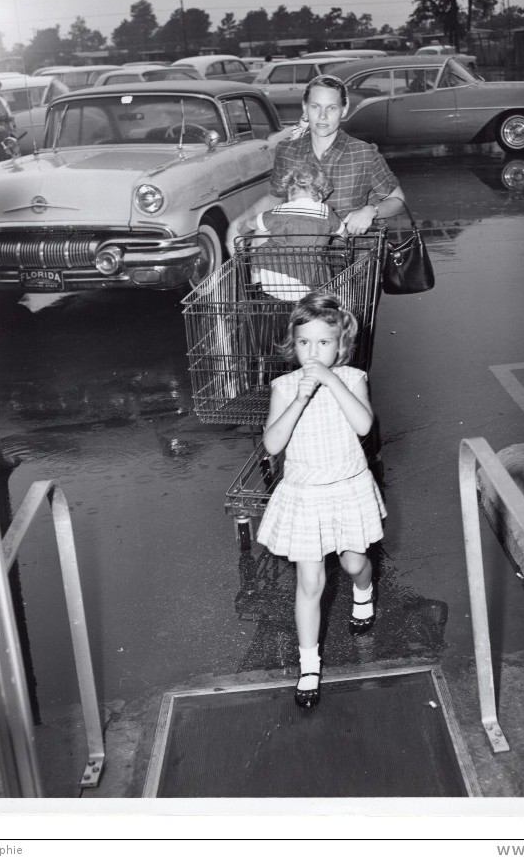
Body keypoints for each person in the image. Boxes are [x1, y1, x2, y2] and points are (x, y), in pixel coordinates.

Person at [256, 292, 386, 709]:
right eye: (304, 343)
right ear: (292, 347)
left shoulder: (352, 378)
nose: (313, 352)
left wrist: (330, 381)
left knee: (352, 563)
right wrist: (299, 397)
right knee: (310, 583)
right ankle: (308, 665)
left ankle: (363, 592)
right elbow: (273, 443)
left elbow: (365, 424)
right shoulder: (285, 386)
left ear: (340, 346)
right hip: (305, 495)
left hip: (346, 488)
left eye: (323, 343)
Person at [226, 74, 405, 255]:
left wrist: (370, 210)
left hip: (352, 261)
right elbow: (274, 199)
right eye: (315, 106)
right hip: (300, 260)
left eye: (332, 108)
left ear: (344, 109)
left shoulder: (364, 153)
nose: (322, 116)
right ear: (305, 107)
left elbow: (397, 201)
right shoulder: (287, 152)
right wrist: (238, 224)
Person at [239, 161, 347, 301]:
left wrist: (242, 230)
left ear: (290, 194)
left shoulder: (280, 210)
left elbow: (250, 223)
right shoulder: (326, 213)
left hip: (271, 280)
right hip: (308, 282)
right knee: (320, 262)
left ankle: (255, 276)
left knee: (261, 231)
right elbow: (344, 235)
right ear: (320, 195)